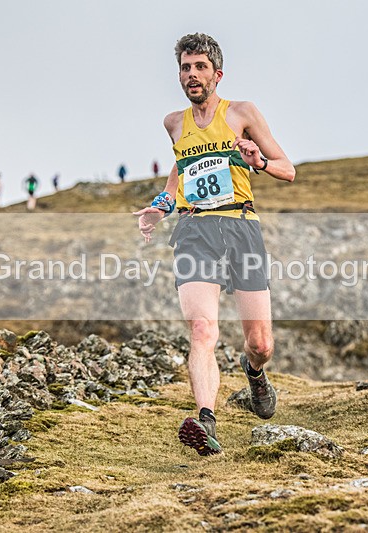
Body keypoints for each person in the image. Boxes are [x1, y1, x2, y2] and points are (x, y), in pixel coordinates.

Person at [134, 33, 295, 456]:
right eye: (185, 68)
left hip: (241, 227)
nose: (192, 74)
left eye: (200, 67)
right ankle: (206, 422)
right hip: (194, 231)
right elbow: (181, 168)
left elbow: (287, 168)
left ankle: (255, 373)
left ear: (217, 74)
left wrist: (256, 160)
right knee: (202, 328)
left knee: (260, 343)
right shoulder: (174, 123)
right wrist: (161, 204)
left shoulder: (242, 113)